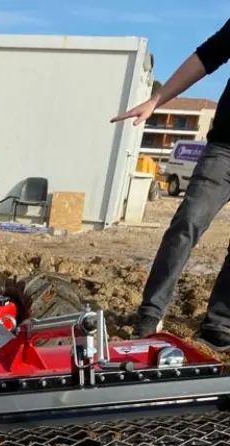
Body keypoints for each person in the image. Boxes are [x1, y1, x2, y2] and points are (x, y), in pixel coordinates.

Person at [111, 18, 230, 350]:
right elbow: (206, 57)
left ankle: (219, 323)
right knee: (188, 221)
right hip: (225, 150)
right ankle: (151, 312)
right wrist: (156, 100)